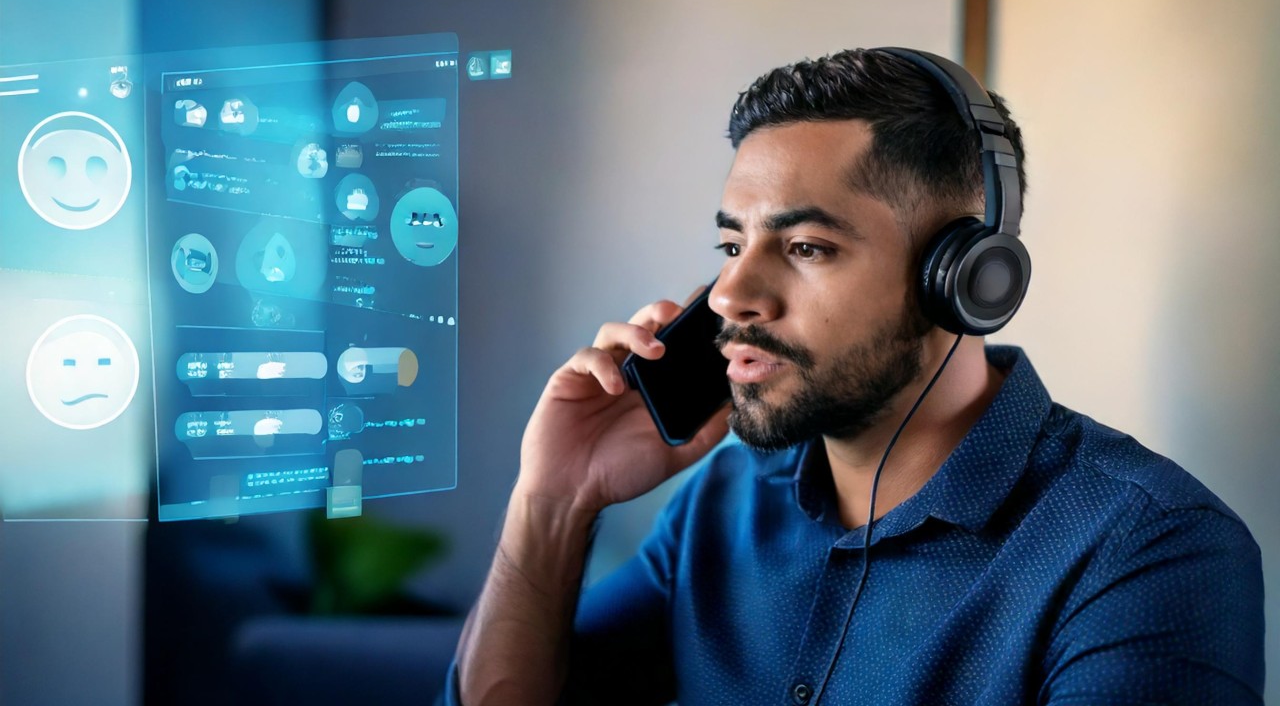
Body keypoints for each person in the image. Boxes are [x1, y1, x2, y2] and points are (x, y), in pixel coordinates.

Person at [446, 48, 1264, 705]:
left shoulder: (1147, 548)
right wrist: (553, 501)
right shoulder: (723, 505)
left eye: (806, 248)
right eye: (732, 247)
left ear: (967, 278)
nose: (732, 294)